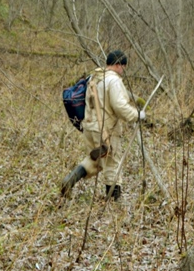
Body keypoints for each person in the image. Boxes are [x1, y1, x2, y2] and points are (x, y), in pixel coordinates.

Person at [60, 50, 145, 200]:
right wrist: (138, 115)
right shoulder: (114, 81)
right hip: (106, 130)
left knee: (97, 160)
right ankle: (113, 202)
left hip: (89, 127)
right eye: (123, 67)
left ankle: (70, 179)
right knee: (112, 164)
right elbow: (119, 107)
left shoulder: (94, 77)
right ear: (119, 65)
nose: (123, 71)